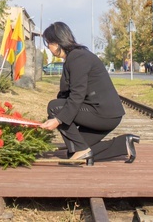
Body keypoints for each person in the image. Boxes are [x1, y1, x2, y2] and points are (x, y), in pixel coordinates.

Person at [39, 22, 137, 165]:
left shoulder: (78, 57)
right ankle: (123, 144)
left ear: (59, 41)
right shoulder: (73, 58)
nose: (48, 46)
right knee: (73, 151)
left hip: (103, 114)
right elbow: (66, 96)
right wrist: (53, 119)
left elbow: (77, 95)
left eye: (49, 43)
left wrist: (58, 119)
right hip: (102, 112)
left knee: (55, 107)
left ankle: (81, 150)